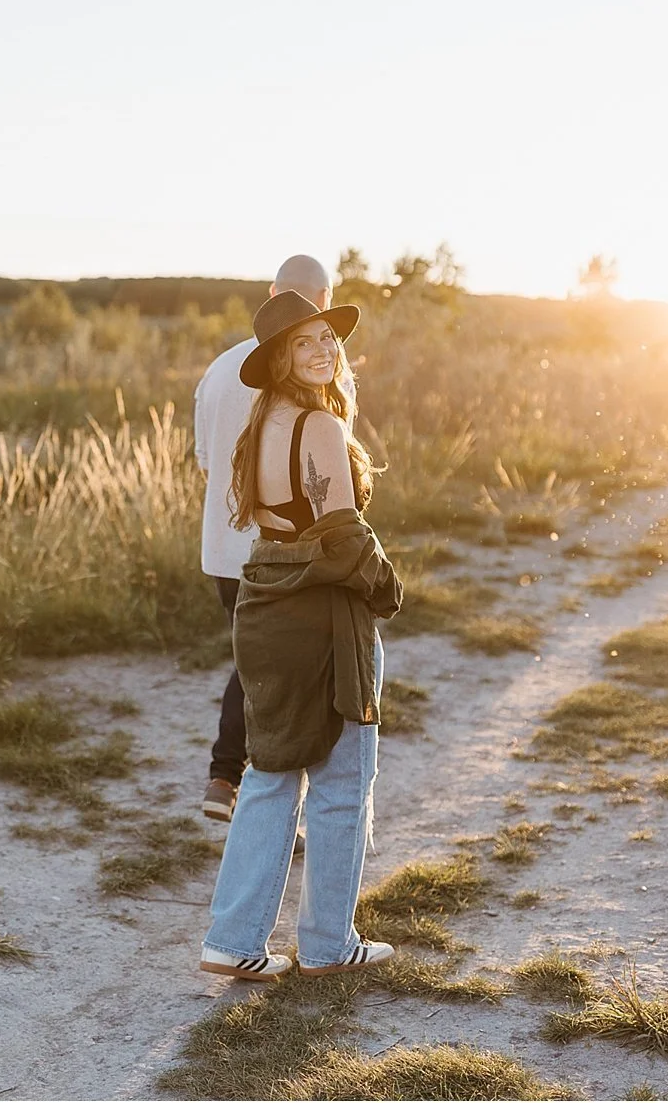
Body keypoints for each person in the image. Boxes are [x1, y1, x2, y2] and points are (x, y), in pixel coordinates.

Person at [197, 290, 402, 980]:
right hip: (320, 614)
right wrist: (385, 587)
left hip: (266, 601)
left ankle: (232, 939)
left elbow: (274, 523)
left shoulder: (263, 425)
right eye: (304, 343)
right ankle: (325, 943)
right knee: (344, 777)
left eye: (327, 340)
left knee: (272, 770)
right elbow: (342, 535)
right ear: (281, 357)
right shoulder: (317, 424)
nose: (322, 351)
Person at [192, 255, 336, 829]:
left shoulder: (222, 369)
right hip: (289, 553)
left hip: (225, 550)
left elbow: (206, 465)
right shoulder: (324, 366)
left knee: (252, 664)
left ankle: (225, 778)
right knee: (285, 680)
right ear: (324, 302)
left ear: (272, 292)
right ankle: (267, 805)